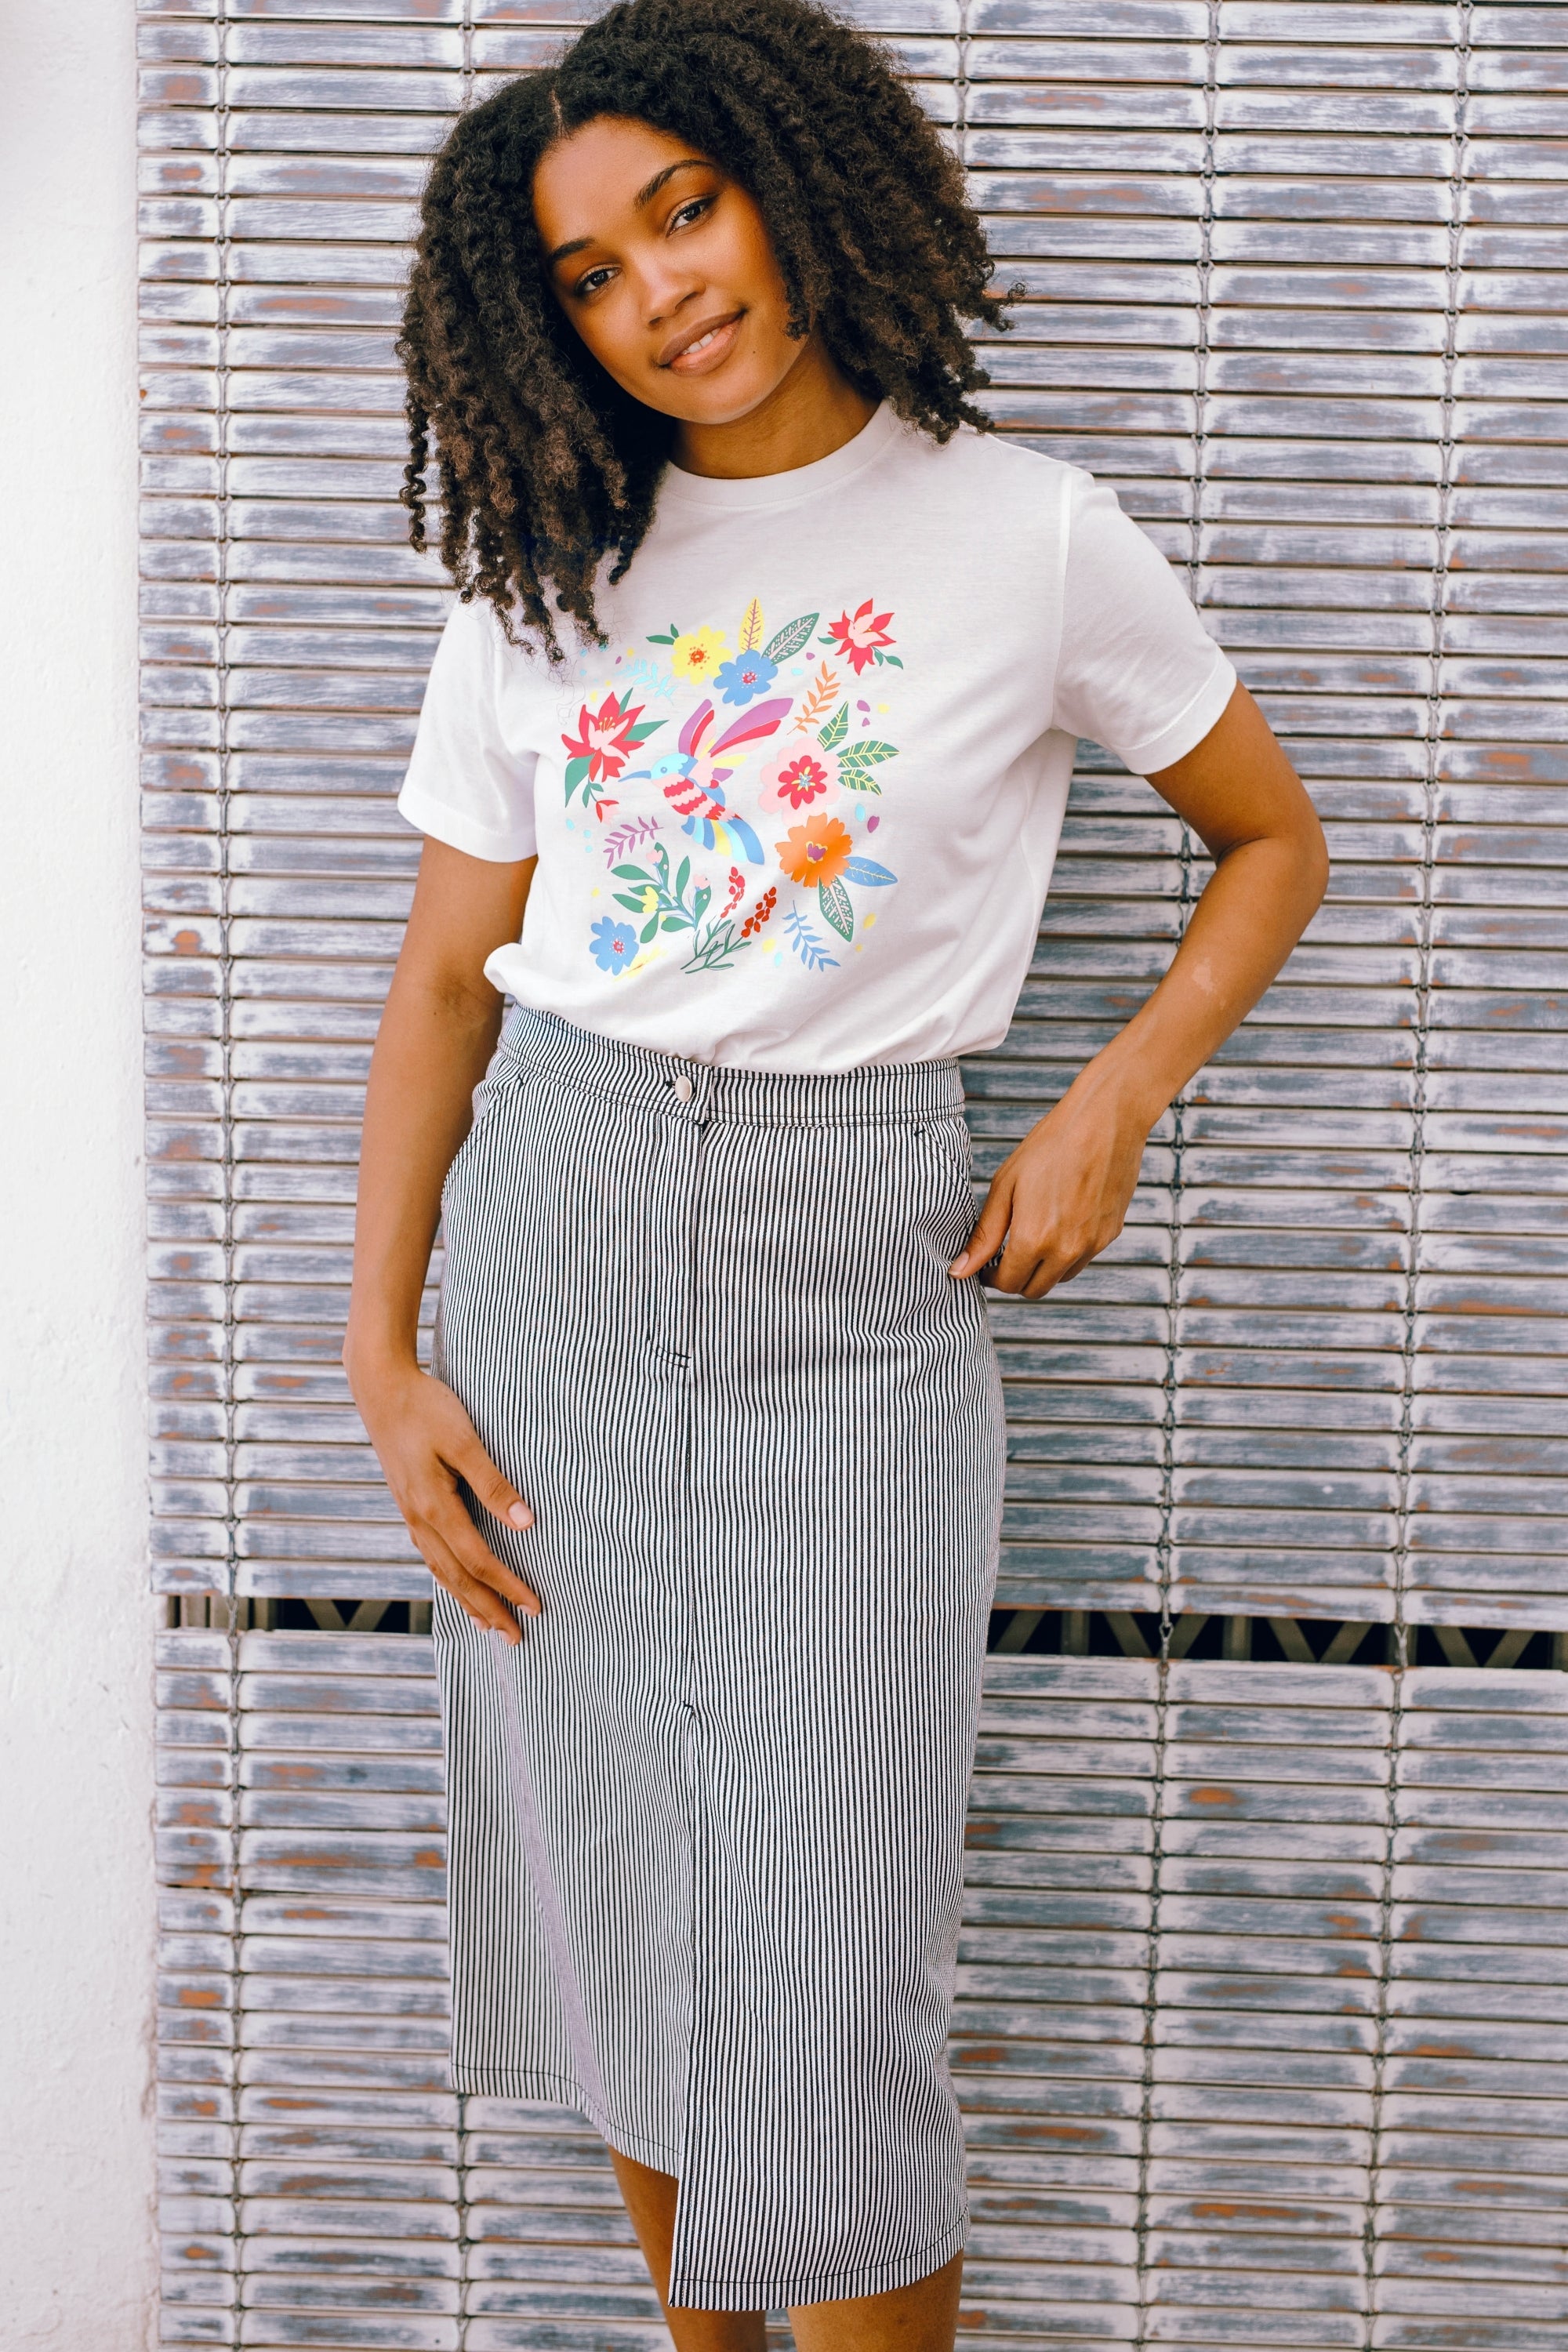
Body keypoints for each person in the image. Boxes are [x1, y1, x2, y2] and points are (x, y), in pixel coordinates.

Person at [343, 4, 1328, 2347]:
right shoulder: (543, 568)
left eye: (683, 210)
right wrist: (379, 1355)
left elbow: (1271, 841)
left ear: (796, 186)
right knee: (627, 1911)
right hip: (555, 1236)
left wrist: (1111, 1099)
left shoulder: (1030, 533)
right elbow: (450, 984)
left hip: (852, 1255)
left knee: (831, 1969)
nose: (658, 291)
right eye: (589, 272)